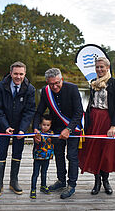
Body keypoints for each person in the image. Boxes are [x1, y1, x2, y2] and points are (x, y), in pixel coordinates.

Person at [33, 68, 83, 199]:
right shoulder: (45, 91)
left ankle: (71, 185)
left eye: (57, 83)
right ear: (47, 82)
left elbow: (79, 112)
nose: (54, 86)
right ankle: (61, 180)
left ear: (62, 79)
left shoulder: (73, 89)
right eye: (51, 84)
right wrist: (35, 129)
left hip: (73, 127)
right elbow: (39, 112)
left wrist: (69, 129)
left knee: (72, 156)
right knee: (59, 155)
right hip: (56, 129)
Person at [78, 57, 115, 195]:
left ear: (108, 67)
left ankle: (106, 181)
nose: (99, 69)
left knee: (107, 152)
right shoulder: (93, 83)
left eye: (102, 67)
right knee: (95, 150)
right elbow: (91, 102)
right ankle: (97, 181)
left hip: (108, 120)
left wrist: (113, 125)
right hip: (93, 119)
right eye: (97, 67)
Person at [0, 61, 36, 197]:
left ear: (25, 74)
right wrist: (5, 126)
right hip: (4, 126)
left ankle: (13, 181)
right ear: (11, 73)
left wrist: (22, 129)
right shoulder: (0, 87)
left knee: (17, 153)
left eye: (21, 74)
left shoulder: (30, 89)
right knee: (2, 152)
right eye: (16, 74)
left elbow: (29, 111)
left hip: (20, 128)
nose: (18, 77)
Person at [30, 114, 54, 199]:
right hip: (38, 157)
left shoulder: (52, 134)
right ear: (40, 124)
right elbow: (37, 144)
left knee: (44, 173)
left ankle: (43, 186)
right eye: (44, 125)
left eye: (48, 125)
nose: (45, 127)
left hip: (47, 157)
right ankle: (33, 189)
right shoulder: (37, 133)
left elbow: (53, 143)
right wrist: (37, 138)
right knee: (35, 174)